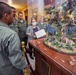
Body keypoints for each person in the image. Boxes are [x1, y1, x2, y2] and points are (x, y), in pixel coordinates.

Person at [0, 2, 29, 75]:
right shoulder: (11, 34)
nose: (13, 18)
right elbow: (16, 59)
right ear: (6, 15)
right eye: (12, 16)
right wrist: (25, 66)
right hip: (10, 71)